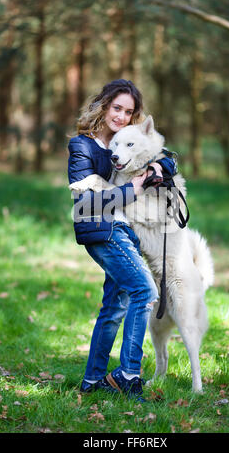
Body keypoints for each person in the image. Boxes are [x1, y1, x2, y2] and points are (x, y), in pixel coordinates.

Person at [68, 79, 176, 402]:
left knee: (115, 306)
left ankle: (92, 380)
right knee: (145, 290)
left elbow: (166, 156)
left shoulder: (125, 140)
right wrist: (134, 190)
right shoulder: (82, 146)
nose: (122, 116)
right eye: (117, 108)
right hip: (103, 230)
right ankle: (129, 375)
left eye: (128, 112)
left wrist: (159, 166)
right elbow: (84, 205)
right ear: (104, 105)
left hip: (125, 230)